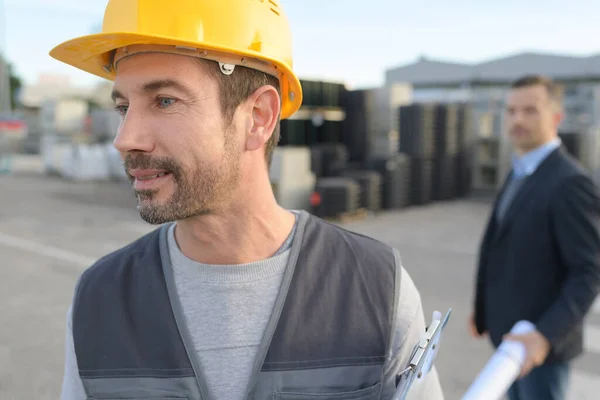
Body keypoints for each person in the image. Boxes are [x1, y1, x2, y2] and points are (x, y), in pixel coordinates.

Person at [50, 1, 444, 399]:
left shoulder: (376, 288)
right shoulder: (97, 302)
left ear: (258, 116)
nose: (124, 138)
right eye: (123, 107)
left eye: (165, 101)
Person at [469, 74, 600, 400]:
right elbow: (500, 243)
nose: (517, 119)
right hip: (508, 338)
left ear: (556, 116)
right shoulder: (521, 169)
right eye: (511, 111)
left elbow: (588, 271)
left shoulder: (570, 183)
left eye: (530, 110)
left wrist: (544, 336)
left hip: (540, 348)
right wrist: (484, 308)